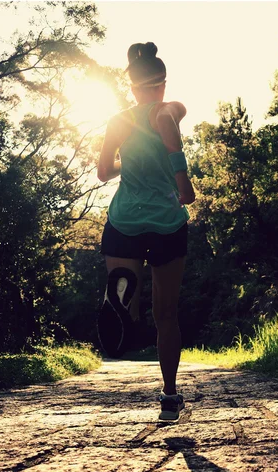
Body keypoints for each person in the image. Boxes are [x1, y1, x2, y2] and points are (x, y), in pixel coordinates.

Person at [96, 42, 195, 421]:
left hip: (124, 221)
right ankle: (169, 395)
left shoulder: (118, 120)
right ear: (162, 85)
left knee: (129, 300)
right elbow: (169, 129)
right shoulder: (171, 108)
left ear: (133, 87)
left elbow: (104, 172)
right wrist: (182, 184)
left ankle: (121, 299)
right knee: (166, 314)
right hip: (166, 223)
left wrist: (130, 164)